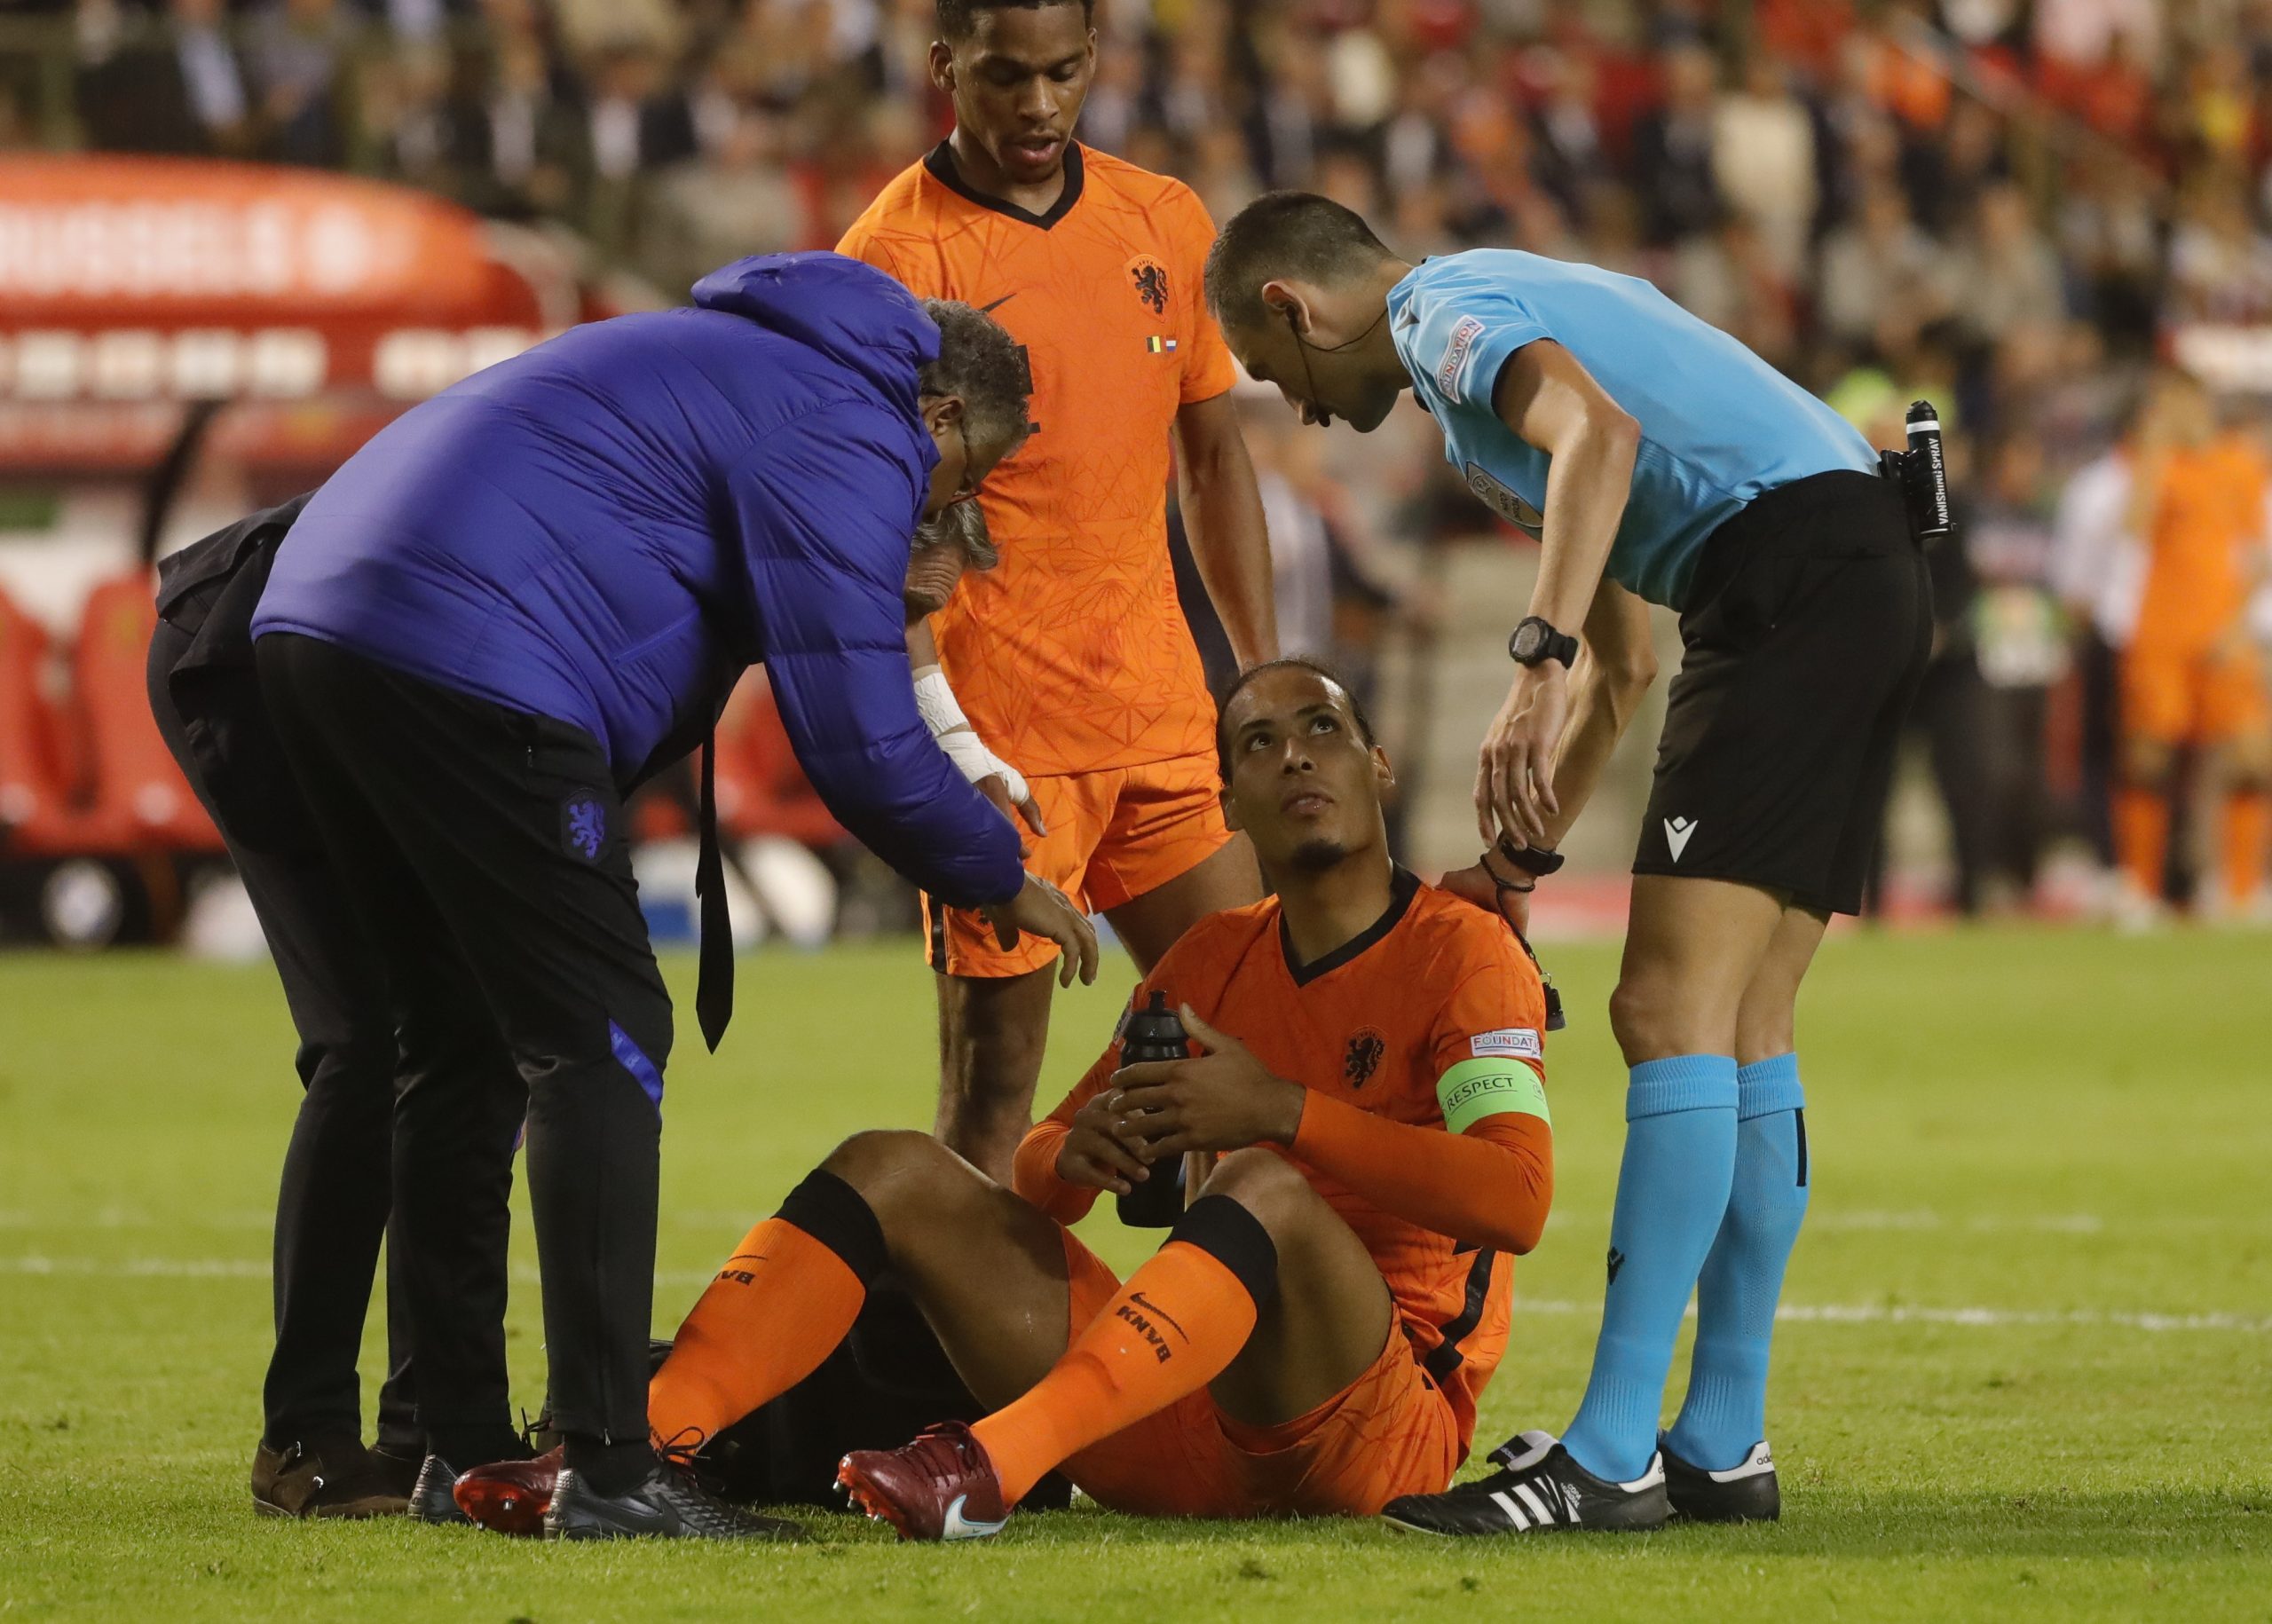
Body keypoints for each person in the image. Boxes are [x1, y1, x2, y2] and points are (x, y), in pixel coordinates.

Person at [244, 252, 1099, 1541]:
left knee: (458, 1041)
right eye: (964, 475)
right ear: (940, 417)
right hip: (467, 652)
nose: (942, 503)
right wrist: (996, 874)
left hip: (316, 627)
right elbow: (854, 735)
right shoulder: (856, 415)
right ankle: (605, 1465)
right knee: (605, 1037)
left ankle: (456, 1445)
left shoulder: (735, 361)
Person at [1203, 193, 1931, 1532]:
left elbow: (1600, 436)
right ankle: (1720, 1437)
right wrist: (1519, 862)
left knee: (1662, 1012)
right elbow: (1630, 657)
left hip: (1789, 580)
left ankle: (1605, 1453)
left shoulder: (1443, 318)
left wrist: (1529, 661)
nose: (1296, 410)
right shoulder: (1488, 366)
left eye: (1274, 376)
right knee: (1744, 1021)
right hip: (1850, 571)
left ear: (1291, 311)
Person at [451, 660, 1554, 1539]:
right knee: (892, 1163)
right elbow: (1041, 1166)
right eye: (1256, 744)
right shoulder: (1211, 959)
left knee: (1266, 1182)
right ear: (1226, 802)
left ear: (1379, 764)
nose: (1294, 757)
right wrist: (1071, 1160)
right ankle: (617, 1456)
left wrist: (1281, 1110)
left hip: (1367, 1430)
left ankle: (985, 1470)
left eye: (1319, 729)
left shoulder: (1466, 957)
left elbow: (1516, 1202)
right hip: (1171, 1418)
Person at [834, 0, 1278, 1185]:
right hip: (1007, 749)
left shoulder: (1163, 220)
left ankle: (1203, 1354)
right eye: (1004, 76)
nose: (1038, 105)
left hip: (1161, 719)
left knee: (1250, 1053)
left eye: (1063, 73)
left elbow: (1215, 457)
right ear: (944, 68)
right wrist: (937, 724)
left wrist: (1264, 667)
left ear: (1097, 62)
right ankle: (952, 1371)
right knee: (990, 1107)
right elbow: (871, 525)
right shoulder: (890, 258)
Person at [2110, 369, 2272, 923]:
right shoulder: (2152, 463)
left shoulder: (2240, 464)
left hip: (2222, 631)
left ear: (2197, 401)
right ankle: (2138, 889)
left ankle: (2242, 890)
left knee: (2251, 755)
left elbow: (2260, 552)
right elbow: (2132, 530)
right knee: (2149, 755)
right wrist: (2154, 456)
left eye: (2174, 400)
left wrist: (2234, 625)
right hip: (2159, 633)